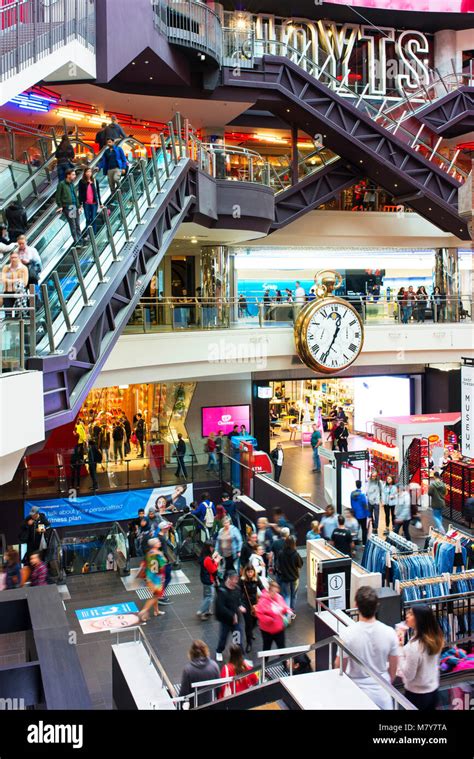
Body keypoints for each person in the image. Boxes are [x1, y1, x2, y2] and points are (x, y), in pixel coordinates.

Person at [335, 586, 399, 709]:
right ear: (377, 606)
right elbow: (393, 667)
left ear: (356, 605)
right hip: (382, 692)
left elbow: (339, 666)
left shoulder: (347, 634)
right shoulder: (389, 632)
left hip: (357, 692)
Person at [398, 605, 444, 710]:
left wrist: (400, 648)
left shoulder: (415, 647)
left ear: (419, 619)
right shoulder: (435, 637)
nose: (407, 615)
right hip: (433, 691)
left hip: (417, 695)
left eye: (411, 614)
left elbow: (409, 675)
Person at [255, 580, 293, 651]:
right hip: (267, 631)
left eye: (277, 592)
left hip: (279, 629)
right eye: (274, 592)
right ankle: (266, 662)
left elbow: (283, 607)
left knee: (281, 647)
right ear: (269, 591)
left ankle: (284, 662)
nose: (276, 594)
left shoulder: (279, 597)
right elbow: (259, 614)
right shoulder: (263, 601)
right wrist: (270, 619)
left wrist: (287, 610)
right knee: (267, 648)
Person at [215, 571, 245, 662]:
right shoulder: (222, 590)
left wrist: (240, 606)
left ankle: (240, 654)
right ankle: (219, 651)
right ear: (229, 578)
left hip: (236, 620)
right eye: (234, 579)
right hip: (226, 620)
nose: (235, 582)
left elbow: (238, 600)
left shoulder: (237, 589)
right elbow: (220, 607)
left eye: (237, 579)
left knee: (237, 637)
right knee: (223, 637)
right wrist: (232, 615)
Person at [180, 640, 220, 707]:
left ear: (191, 653)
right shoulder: (214, 666)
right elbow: (218, 689)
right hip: (211, 703)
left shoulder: (188, 670)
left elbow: (184, 693)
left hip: (195, 705)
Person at [137, 538, 167, 621]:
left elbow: (145, 564)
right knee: (155, 596)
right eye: (158, 542)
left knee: (155, 595)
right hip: (156, 579)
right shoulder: (158, 554)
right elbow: (163, 564)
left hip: (149, 578)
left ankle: (156, 611)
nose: (160, 542)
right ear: (154, 545)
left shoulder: (148, 553)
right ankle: (143, 611)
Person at [239, 565, 264, 652]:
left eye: (251, 572)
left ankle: (250, 632)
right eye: (248, 572)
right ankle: (249, 643)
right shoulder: (242, 581)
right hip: (246, 603)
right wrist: (240, 604)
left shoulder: (256, 578)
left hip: (255, 604)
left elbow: (262, 588)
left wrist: (267, 596)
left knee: (255, 621)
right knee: (248, 623)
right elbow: (238, 592)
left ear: (254, 572)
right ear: (245, 572)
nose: (250, 573)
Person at [55, 168, 82, 244]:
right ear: (68, 175)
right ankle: (77, 242)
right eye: (73, 174)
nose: (75, 176)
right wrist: (60, 205)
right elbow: (58, 196)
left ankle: (80, 240)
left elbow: (75, 196)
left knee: (77, 224)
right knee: (73, 225)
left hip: (75, 206)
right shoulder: (62, 184)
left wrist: (79, 206)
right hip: (69, 207)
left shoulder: (71, 184)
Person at [277, 535, 303, 610]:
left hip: (284, 578)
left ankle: (287, 613)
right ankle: (292, 611)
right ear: (294, 544)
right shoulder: (295, 554)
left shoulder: (281, 553)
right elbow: (300, 564)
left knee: (286, 596)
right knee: (293, 595)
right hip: (294, 578)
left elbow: (278, 565)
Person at [196, 541, 220, 620]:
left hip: (204, 578)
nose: (213, 548)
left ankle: (206, 611)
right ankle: (201, 611)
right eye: (212, 547)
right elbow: (213, 570)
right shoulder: (207, 559)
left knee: (206, 596)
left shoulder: (203, 556)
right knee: (210, 597)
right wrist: (216, 561)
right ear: (208, 548)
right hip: (209, 580)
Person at [1, 250, 28, 317]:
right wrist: (17, 280)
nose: (13, 259)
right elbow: (3, 280)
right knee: (8, 314)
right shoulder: (6, 268)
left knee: (19, 314)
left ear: (18, 258)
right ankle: (8, 326)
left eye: (15, 257)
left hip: (19, 293)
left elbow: (25, 282)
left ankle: (20, 326)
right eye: (12, 257)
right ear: (10, 258)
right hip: (7, 292)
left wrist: (9, 281)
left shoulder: (23, 268)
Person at [350, 480, 370, 546]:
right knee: (364, 529)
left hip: (355, 514)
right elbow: (365, 505)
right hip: (363, 515)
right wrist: (368, 514)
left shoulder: (352, 494)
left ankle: (354, 542)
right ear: (361, 485)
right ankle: (364, 544)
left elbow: (351, 504)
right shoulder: (362, 495)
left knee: (356, 528)